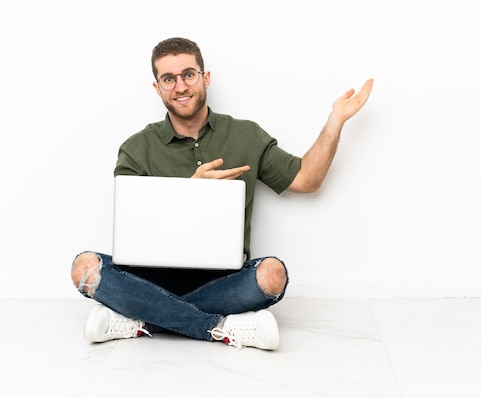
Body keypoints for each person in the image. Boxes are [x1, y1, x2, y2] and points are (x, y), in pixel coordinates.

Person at [70, 37, 373, 350]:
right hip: (151, 280)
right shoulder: (136, 148)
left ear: (206, 78)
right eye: (168, 79)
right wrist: (191, 193)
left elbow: (307, 180)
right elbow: (131, 231)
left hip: (223, 282)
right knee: (84, 267)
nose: (180, 86)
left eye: (188, 74)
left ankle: (141, 318)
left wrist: (336, 120)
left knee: (272, 275)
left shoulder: (246, 135)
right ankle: (218, 326)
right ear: (157, 87)